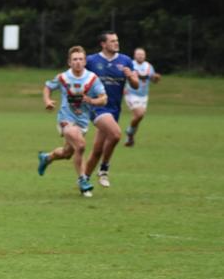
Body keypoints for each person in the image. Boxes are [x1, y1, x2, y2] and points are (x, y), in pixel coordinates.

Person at [38, 46, 107, 197]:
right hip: (65, 120)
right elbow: (47, 87)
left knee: (67, 153)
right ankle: (83, 180)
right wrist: (47, 101)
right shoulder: (63, 77)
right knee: (81, 146)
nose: (78, 62)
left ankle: (47, 157)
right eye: (74, 59)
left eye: (81, 59)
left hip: (82, 122)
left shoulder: (92, 79)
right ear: (69, 62)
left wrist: (90, 100)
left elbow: (103, 98)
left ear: (85, 61)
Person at [84, 31, 139, 187]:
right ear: (103, 44)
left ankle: (84, 180)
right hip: (97, 107)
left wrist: (131, 77)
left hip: (114, 109)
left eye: (117, 40)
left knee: (97, 150)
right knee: (115, 135)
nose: (116, 43)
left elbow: (135, 85)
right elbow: (79, 77)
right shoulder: (91, 61)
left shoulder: (126, 60)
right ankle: (104, 169)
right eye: (112, 41)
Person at [123, 47, 161, 147]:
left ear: (145, 56)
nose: (140, 56)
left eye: (142, 54)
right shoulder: (131, 64)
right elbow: (123, 77)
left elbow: (154, 80)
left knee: (138, 117)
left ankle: (130, 137)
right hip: (131, 94)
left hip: (144, 96)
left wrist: (156, 78)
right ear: (135, 55)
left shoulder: (148, 66)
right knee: (139, 114)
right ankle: (129, 132)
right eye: (138, 54)